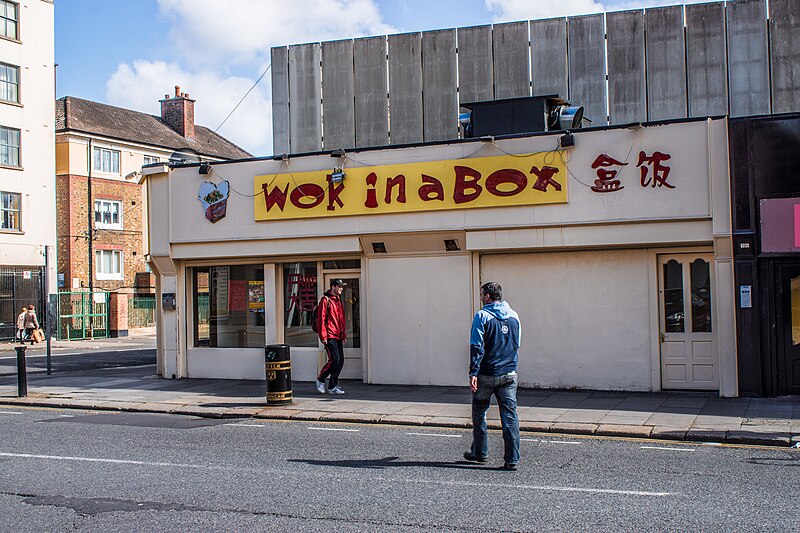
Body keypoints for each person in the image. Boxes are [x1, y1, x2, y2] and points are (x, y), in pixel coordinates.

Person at [463, 281, 521, 471]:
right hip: (510, 375)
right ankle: (512, 459)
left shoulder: (482, 316)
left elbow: (476, 346)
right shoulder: (514, 316)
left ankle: (481, 453)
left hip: (487, 374)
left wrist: (473, 372)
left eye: (481, 295)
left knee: (479, 412)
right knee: (510, 416)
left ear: (487, 296)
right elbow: (516, 344)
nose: (480, 298)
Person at [315, 279, 347, 395]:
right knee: (335, 360)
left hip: (338, 335)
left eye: (342, 287)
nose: (341, 289)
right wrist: (323, 336)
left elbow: (341, 320)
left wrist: (343, 334)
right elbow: (321, 319)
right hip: (329, 335)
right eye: (339, 286)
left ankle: (332, 386)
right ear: (333, 287)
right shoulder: (325, 300)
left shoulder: (338, 301)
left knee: (340, 361)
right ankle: (321, 379)